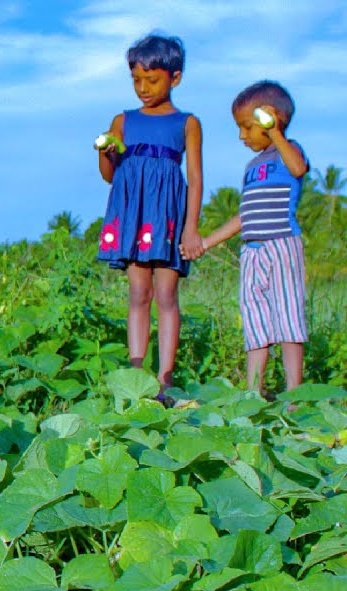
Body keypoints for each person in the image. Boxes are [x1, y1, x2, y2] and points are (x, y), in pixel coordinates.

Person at [95, 34, 203, 405]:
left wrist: (191, 227)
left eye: (152, 80)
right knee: (138, 292)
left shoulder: (187, 123)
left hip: (168, 218)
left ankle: (166, 378)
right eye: (136, 80)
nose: (143, 88)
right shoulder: (122, 121)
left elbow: (196, 178)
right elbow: (110, 175)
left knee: (166, 293)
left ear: (175, 78)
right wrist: (107, 153)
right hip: (133, 215)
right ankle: (137, 374)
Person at [184, 81, 308, 395]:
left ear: (271, 118)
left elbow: (298, 168)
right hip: (251, 251)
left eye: (246, 127)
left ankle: (295, 393)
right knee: (255, 318)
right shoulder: (252, 166)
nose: (242, 136)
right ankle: (254, 390)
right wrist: (205, 242)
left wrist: (275, 132)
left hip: (281, 244)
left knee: (288, 316)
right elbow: (243, 217)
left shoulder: (288, 151)